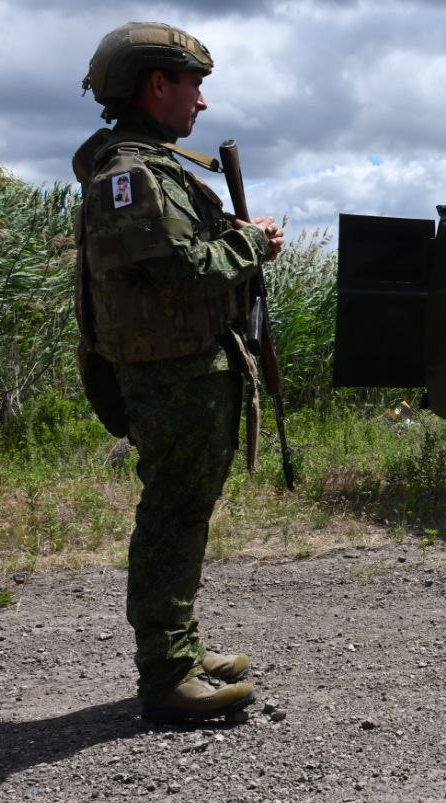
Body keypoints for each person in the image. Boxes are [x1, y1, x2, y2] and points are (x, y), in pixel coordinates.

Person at [71, 22, 285, 723]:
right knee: (171, 518)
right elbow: (181, 273)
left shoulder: (150, 167)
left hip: (185, 371)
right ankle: (167, 675)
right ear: (156, 84)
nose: (201, 99)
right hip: (173, 378)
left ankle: (182, 653)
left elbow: (175, 254)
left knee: (184, 514)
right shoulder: (131, 174)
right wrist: (252, 247)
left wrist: (238, 240)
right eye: (193, 83)